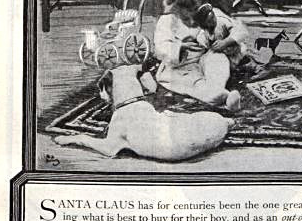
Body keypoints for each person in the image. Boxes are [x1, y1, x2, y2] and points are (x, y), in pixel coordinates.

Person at [52, 63, 232, 161]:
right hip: (214, 128)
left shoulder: (122, 114)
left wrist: (77, 138)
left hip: (179, 151)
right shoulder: (145, 106)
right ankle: (228, 119)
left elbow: (109, 149)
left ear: (108, 89)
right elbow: (152, 88)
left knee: (164, 122)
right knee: (167, 119)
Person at [154, 0, 245, 109]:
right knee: (193, 83)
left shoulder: (209, 14)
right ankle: (218, 96)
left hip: (203, 57)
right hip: (180, 67)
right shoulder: (168, 21)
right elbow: (161, 47)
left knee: (218, 60)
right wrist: (180, 47)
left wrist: (227, 42)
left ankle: (217, 88)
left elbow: (236, 29)